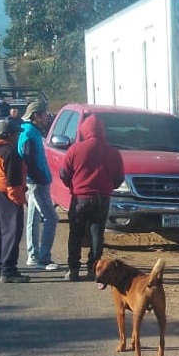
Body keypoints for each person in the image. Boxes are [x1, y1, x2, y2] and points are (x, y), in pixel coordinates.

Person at [59, 114, 125, 281]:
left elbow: (64, 173)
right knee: (97, 235)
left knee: (75, 234)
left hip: (80, 197)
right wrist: (109, 187)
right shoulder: (113, 152)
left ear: (84, 130)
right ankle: (93, 269)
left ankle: (73, 269)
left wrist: (72, 186)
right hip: (102, 198)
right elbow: (119, 178)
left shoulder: (75, 149)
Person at [0, 117, 29, 284]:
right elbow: (13, 180)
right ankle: (8, 270)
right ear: (10, 134)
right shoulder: (10, 152)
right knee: (12, 231)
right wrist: (17, 199)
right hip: (6, 193)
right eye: (17, 133)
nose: (18, 136)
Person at [19, 101, 59, 270]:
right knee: (51, 217)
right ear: (36, 116)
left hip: (35, 181)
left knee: (33, 219)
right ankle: (44, 258)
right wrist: (40, 179)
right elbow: (28, 161)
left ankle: (33, 255)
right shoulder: (29, 135)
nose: (46, 117)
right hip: (36, 182)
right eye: (44, 114)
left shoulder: (31, 132)